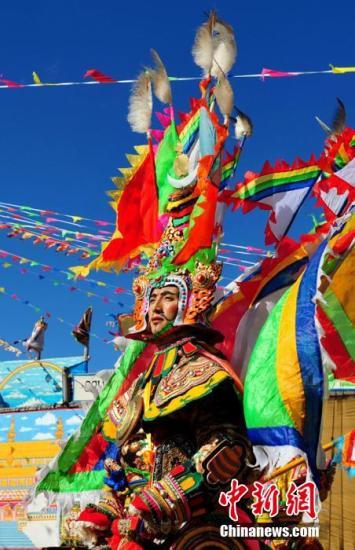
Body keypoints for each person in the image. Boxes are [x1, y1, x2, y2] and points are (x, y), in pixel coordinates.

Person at [69, 259, 258, 549]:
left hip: (193, 523)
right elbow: (121, 464)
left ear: (189, 303)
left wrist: (164, 497)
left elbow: (225, 448)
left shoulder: (203, 370)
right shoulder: (143, 381)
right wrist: (108, 510)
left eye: (168, 298)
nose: (155, 308)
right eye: (152, 299)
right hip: (139, 529)